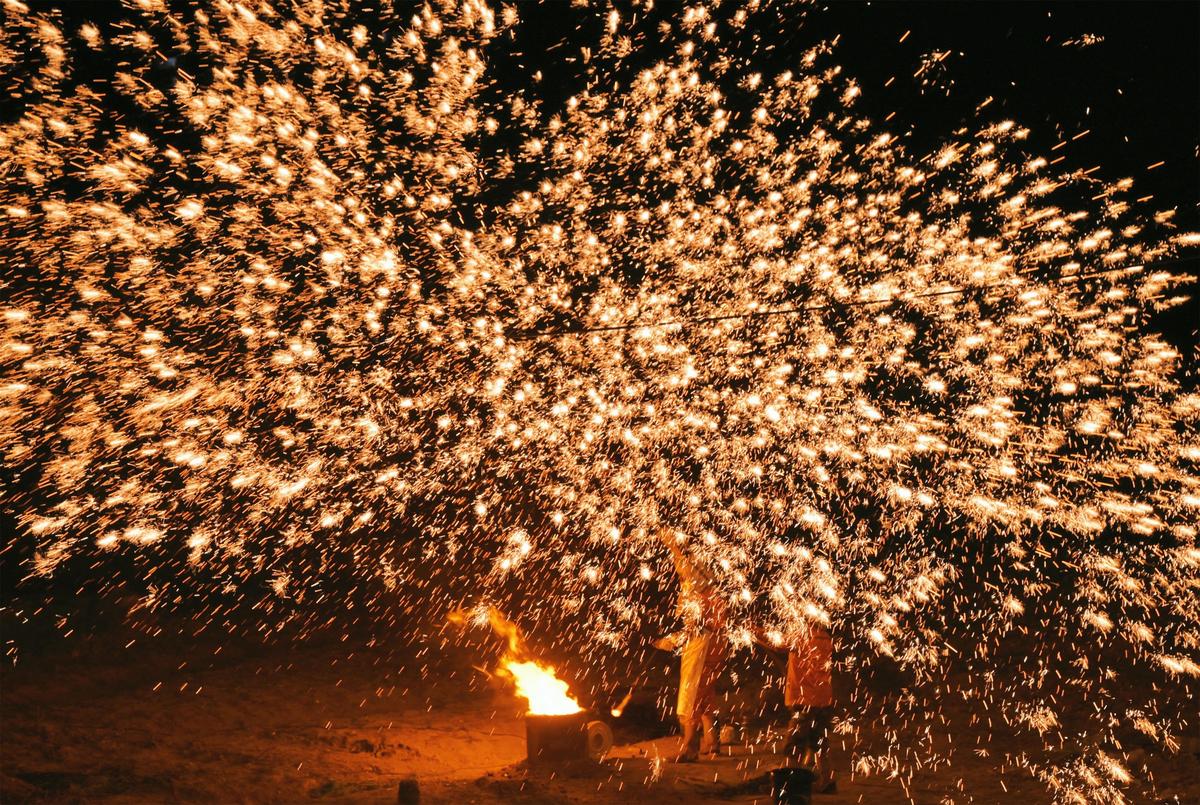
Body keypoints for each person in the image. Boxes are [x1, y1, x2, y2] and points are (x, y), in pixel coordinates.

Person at [653, 529, 729, 762]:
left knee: (692, 697)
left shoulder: (706, 597)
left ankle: (689, 748)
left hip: (705, 650)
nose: (682, 577)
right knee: (705, 696)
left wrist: (672, 641)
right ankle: (712, 742)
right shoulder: (711, 594)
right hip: (711, 649)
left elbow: (698, 628)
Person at [784, 620, 836, 793]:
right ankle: (828, 781)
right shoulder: (826, 638)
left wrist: (752, 629)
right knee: (820, 742)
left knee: (795, 743)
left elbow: (776, 642)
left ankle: (791, 783)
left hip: (803, 699)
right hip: (822, 699)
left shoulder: (800, 636)